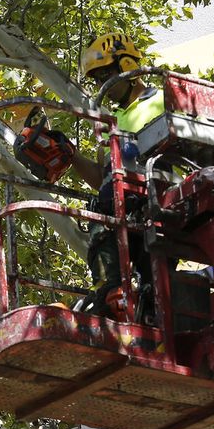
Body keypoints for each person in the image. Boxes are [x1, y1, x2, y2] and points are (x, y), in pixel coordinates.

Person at [69, 32, 165, 320]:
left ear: (127, 66)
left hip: (154, 199)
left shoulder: (162, 101)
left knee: (158, 285)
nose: (103, 86)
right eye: (97, 80)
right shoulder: (112, 122)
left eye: (106, 76)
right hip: (119, 207)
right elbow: (103, 179)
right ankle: (113, 298)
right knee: (101, 215)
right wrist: (70, 155)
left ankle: (135, 303)